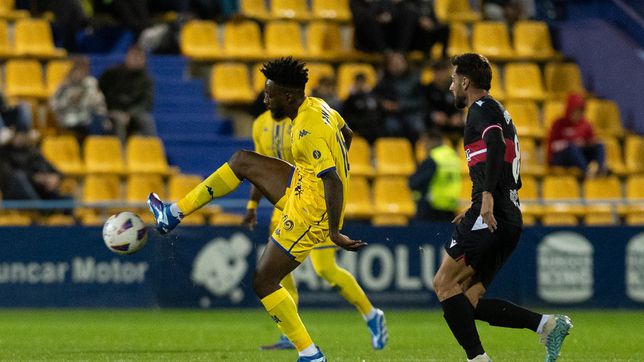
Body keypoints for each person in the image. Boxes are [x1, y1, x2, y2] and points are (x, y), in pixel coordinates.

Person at [147, 57, 388, 362]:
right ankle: (173, 213)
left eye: (269, 94)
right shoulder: (318, 106)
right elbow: (347, 134)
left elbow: (333, 180)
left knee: (263, 280)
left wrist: (334, 231)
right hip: (302, 184)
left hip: (310, 212)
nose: (264, 98)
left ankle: (310, 353)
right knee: (242, 161)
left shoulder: (305, 129)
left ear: (287, 97)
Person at [433, 53, 572, 362]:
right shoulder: (497, 110)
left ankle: (478, 360)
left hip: (492, 212)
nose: (451, 84)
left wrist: (484, 196)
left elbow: (494, 143)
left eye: (454, 79)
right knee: (467, 300)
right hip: (509, 215)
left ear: (465, 81)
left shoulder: (481, 109)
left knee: (444, 283)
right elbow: (494, 155)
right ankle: (546, 325)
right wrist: (480, 198)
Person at [244, 109, 387, 351]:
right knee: (277, 273)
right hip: (283, 206)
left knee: (325, 268)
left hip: (314, 204)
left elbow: (342, 139)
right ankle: (290, 335)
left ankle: (372, 314)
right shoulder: (259, 124)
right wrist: (252, 205)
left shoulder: (304, 120)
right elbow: (262, 170)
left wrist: (341, 165)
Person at [98, 45, 156, 143]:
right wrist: (107, 111)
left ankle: (151, 151)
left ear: (144, 60)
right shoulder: (111, 73)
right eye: (133, 56)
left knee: (147, 120)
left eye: (139, 57)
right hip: (112, 110)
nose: (136, 59)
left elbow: (146, 102)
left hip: (133, 113)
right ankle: (121, 154)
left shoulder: (147, 79)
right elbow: (99, 93)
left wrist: (129, 114)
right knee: (119, 121)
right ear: (127, 57)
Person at [547, 93, 607, 178]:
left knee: (599, 145)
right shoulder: (558, 124)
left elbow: (590, 141)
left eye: (581, 111)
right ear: (569, 110)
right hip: (562, 157)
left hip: (579, 154)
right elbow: (553, 146)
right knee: (572, 147)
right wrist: (571, 143)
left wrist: (588, 143)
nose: (578, 114)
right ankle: (587, 172)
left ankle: (599, 170)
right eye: (575, 110)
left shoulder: (586, 124)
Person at [50, 56, 108, 144]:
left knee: (101, 122)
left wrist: (103, 116)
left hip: (88, 117)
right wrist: (70, 99)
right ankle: (95, 147)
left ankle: (96, 148)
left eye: (85, 71)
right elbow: (55, 107)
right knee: (94, 125)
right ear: (73, 71)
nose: (82, 74)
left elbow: (100, 103)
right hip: (70, 118)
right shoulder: (64, 86)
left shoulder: (91, 83)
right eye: (79, 71)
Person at [409, 130, 461, 222]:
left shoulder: (433, 158)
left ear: (431, 141)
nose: (424, 146)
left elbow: (414, 183)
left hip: (432, 207)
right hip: (449, 206)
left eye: (425, 142)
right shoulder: (453, 156)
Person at [373, 52, 426, 143]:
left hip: (411, 112)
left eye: (399, 62)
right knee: (391, 126)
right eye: (393, 63)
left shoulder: (415, 79)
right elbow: (375, 96)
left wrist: (400, 105)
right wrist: (383, 103)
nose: (396, 65)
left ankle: (417, 151)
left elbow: (421, 101)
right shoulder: (385, 79)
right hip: (391, 115)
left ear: (406, 63)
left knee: (417, 126)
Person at [424, 59, 463, 140]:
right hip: (435, 123)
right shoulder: (428, 89)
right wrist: (433, 115)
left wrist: (458, 116)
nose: (439, 75)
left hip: (453, 122)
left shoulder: (455, 88)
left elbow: (461, 104)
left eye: (442, 71)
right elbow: (424, 107)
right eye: (436, 72)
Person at [341, 73, 382, 144]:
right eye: (358, 82)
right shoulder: (351, 98)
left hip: (370, 125)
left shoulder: (371, 96)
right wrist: (352, 96)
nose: (360, 85)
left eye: (362, 82)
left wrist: (368, 95)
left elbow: (375, 110)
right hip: (357, 125)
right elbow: (346, 112)